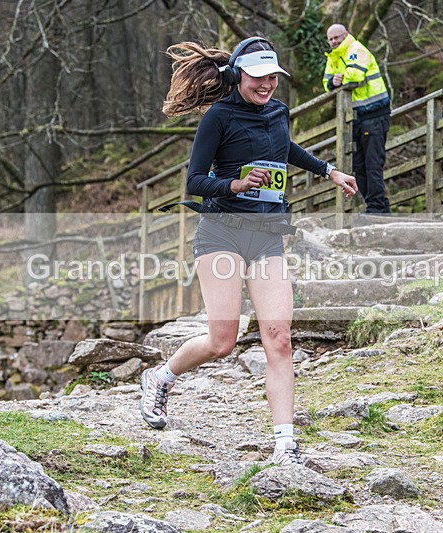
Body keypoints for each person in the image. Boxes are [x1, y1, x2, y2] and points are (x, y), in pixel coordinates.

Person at [139, 37, 358, 465]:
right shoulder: (217, 118)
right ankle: (160, 378)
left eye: (273, 76)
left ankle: (285, 444)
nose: (268, 85)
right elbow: (194, 182)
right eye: (259, 77)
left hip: (267, 234)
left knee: (279, 339)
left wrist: (329, 171)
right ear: (239, 75)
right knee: (223, 342)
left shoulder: (278, 111)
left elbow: (284, 148)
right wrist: (235, 185)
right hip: (221, 232)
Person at [323, 24, 392, 214]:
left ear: (346, 35)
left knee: (372, 163)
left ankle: (378, 207)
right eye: (331, 39)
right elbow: (327, 82)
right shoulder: (333, 57)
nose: (334, 41)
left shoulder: (357, 49)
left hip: (374, 114)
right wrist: (333, 82)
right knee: (358, 165)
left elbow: (355, 76)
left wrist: (340, 79)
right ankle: (374, 206)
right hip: (355, 116)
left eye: (337, 37)